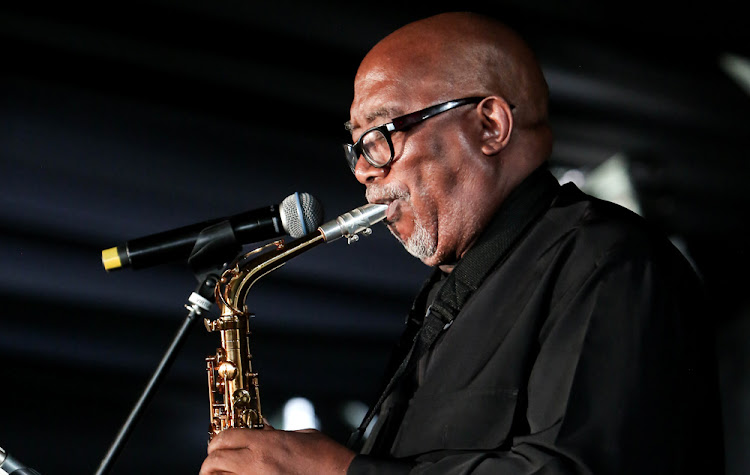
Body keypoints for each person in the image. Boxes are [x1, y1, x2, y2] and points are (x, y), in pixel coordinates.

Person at [200, 12, 724, 474]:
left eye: (382, 134)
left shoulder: (608, 262)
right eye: (356, 146)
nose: (363, 169)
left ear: (490, 126)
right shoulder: (447, 296)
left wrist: (341, 474)